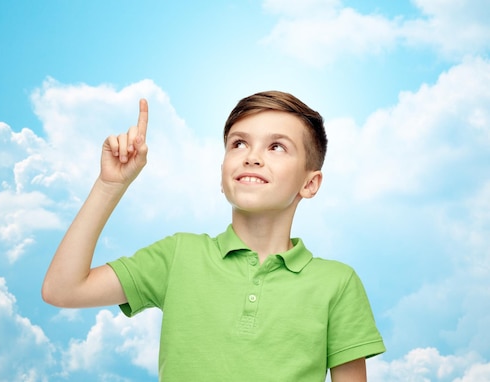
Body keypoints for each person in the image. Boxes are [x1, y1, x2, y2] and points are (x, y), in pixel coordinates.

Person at [42, 91, 386, 381]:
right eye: (239, 144)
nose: (252, 157)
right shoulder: (179, 256)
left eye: (276, 147)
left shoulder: (337, 284)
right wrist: (110, 185)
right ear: (222, 173)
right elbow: (62, 290)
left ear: (310, 183)